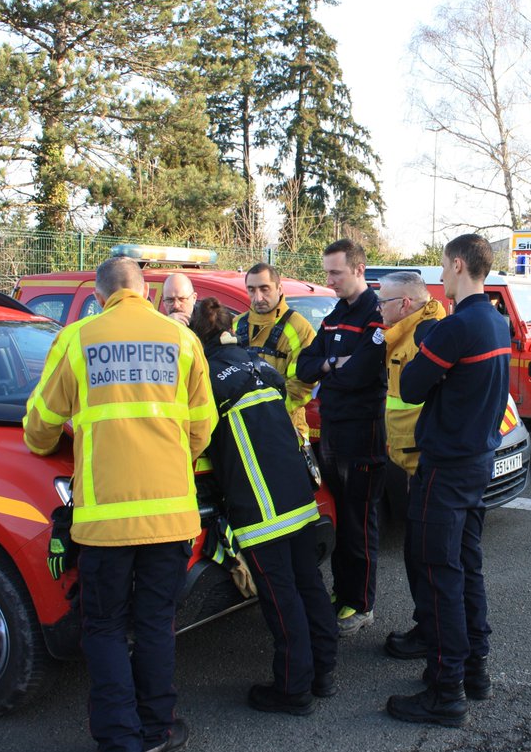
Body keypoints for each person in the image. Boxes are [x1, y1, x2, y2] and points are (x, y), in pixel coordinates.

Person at [24, 256, 214, 752]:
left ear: (100, 294)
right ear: (146, 290)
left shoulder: (78, 338)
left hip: (104, 524)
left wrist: (49, 442)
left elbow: (40, 425)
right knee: (155, 624)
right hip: (172, 517)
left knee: (104, 629)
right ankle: (158, 729)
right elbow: (203, 428)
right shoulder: (182, 340)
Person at [189, 297, 338, 716]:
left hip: (259, 504)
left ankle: (292, 690)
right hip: (296, 493)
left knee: (280, 596)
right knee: (308, 584)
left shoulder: (208, 378)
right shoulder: (262, 368)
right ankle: (322, 673)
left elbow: (196, 443)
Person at [386, 234, 510, 728]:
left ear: (459, 265)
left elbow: (412, 385)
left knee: (440, 576)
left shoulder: (456, 327)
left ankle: (446, 690)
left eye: (442, 266)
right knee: (465, 567)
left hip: (446, 466)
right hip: (477, 460)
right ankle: (475, 671)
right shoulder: (496, 322)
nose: (439, 276)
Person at [295, 239, 387, 635]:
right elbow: (305, 365)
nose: (329, 280)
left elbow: (361, 374)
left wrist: (330, 369)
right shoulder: (335, 314)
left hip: (362, 435)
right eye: (327, 272)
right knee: (340, 520)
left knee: (358, 521)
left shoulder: (375, 315)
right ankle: (343, 594)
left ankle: (362, 604)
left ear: (360, 269)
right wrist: (333, 363)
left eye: (336, 272)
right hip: (331, 431)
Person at [377, 271, 446, 661]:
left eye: (383, 300)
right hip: (408, 460)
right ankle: (429, 627)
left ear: (404, 303)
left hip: (426, 462)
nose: (378, 307)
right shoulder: (404, 332)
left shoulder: (428, 336)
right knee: (416, 552)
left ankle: (431, 634)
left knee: (426, 555)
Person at [233, 262, 318, 440]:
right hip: (243, 427)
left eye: (265, 289)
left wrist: (269, 411)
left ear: (279, 288)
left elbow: (304, 383)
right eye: (251, 290)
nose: (258, 298)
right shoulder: (236, 325)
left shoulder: (299, 328)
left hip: (286, 428)